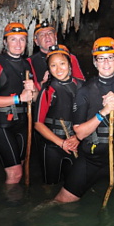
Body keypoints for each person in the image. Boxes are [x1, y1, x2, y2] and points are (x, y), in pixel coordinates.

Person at [54, 37, 114, 203]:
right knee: (62, 200)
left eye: (110, 57)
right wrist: (103, 112)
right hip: (93, 159)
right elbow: (80, 133)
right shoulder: (85, 92)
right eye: (101, 58)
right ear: (95, 62)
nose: (106, 63)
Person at [0, 22, 38, 194]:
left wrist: (34, 90)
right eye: (13, 39)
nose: (18, 44)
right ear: (5, 42)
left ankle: (18, 205)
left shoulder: (27, 65)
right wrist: (19, 98)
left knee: (20, 167)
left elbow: (34, 98)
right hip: (2, 123)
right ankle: (10, 212)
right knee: (15, 173)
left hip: (22, 122)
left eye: (22, 40)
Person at [34, 44, 83, 184]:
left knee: (73, 186)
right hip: (51, 145)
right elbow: (38, 124)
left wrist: (77, 139)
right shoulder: (47, 90)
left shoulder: (81, 87)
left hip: (75, 142)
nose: (59, 69)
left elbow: (87, 117)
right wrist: (61, 143)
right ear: (48, 69)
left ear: (70, 65)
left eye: (62, 63)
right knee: (50, 184)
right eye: (53, 65)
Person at [28, 19, 84, 88]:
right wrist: (43, 84)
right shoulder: (29, 62)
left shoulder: (69, 57)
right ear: (36, 41)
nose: (47, 36)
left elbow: (81, 82)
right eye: (42, 35)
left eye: (50, 33)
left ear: (55, 37)